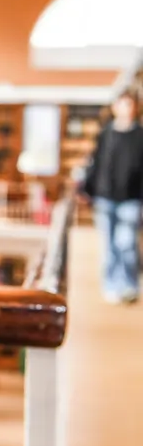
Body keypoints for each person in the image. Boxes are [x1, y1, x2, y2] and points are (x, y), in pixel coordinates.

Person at [82, 91, 143, 304]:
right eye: (122, 104)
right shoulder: (106, 133)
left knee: (126, 244)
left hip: (131, 198)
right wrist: (87, 188)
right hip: (105, 197)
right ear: (115, 107)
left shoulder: (140, 135)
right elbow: (95, 163)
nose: (126, 109)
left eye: (130, 105)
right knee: (108, 245)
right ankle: (110, 286)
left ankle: (129, 285)